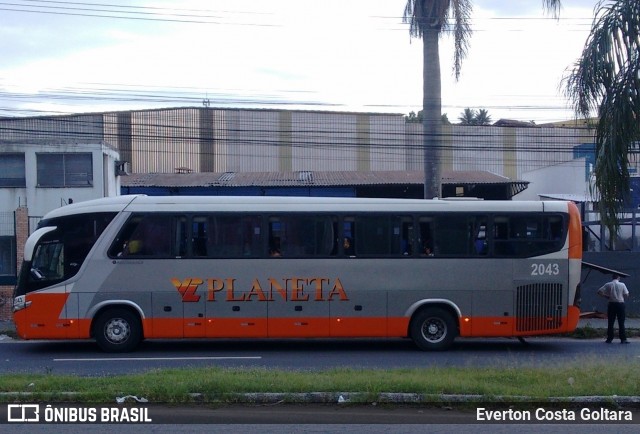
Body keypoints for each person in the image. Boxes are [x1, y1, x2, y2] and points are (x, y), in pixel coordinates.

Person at [597, 273, 630, 344]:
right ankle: (623, 339)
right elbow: (626, 294)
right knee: (621, 322)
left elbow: (599, 291)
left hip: (611, 304)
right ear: (618, 278)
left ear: (612, 277)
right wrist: (622, 296)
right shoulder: (622, 284)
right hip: (620, 304)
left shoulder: (608, 284)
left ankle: (609, 338)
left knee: (611, 322)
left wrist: (607, 296)